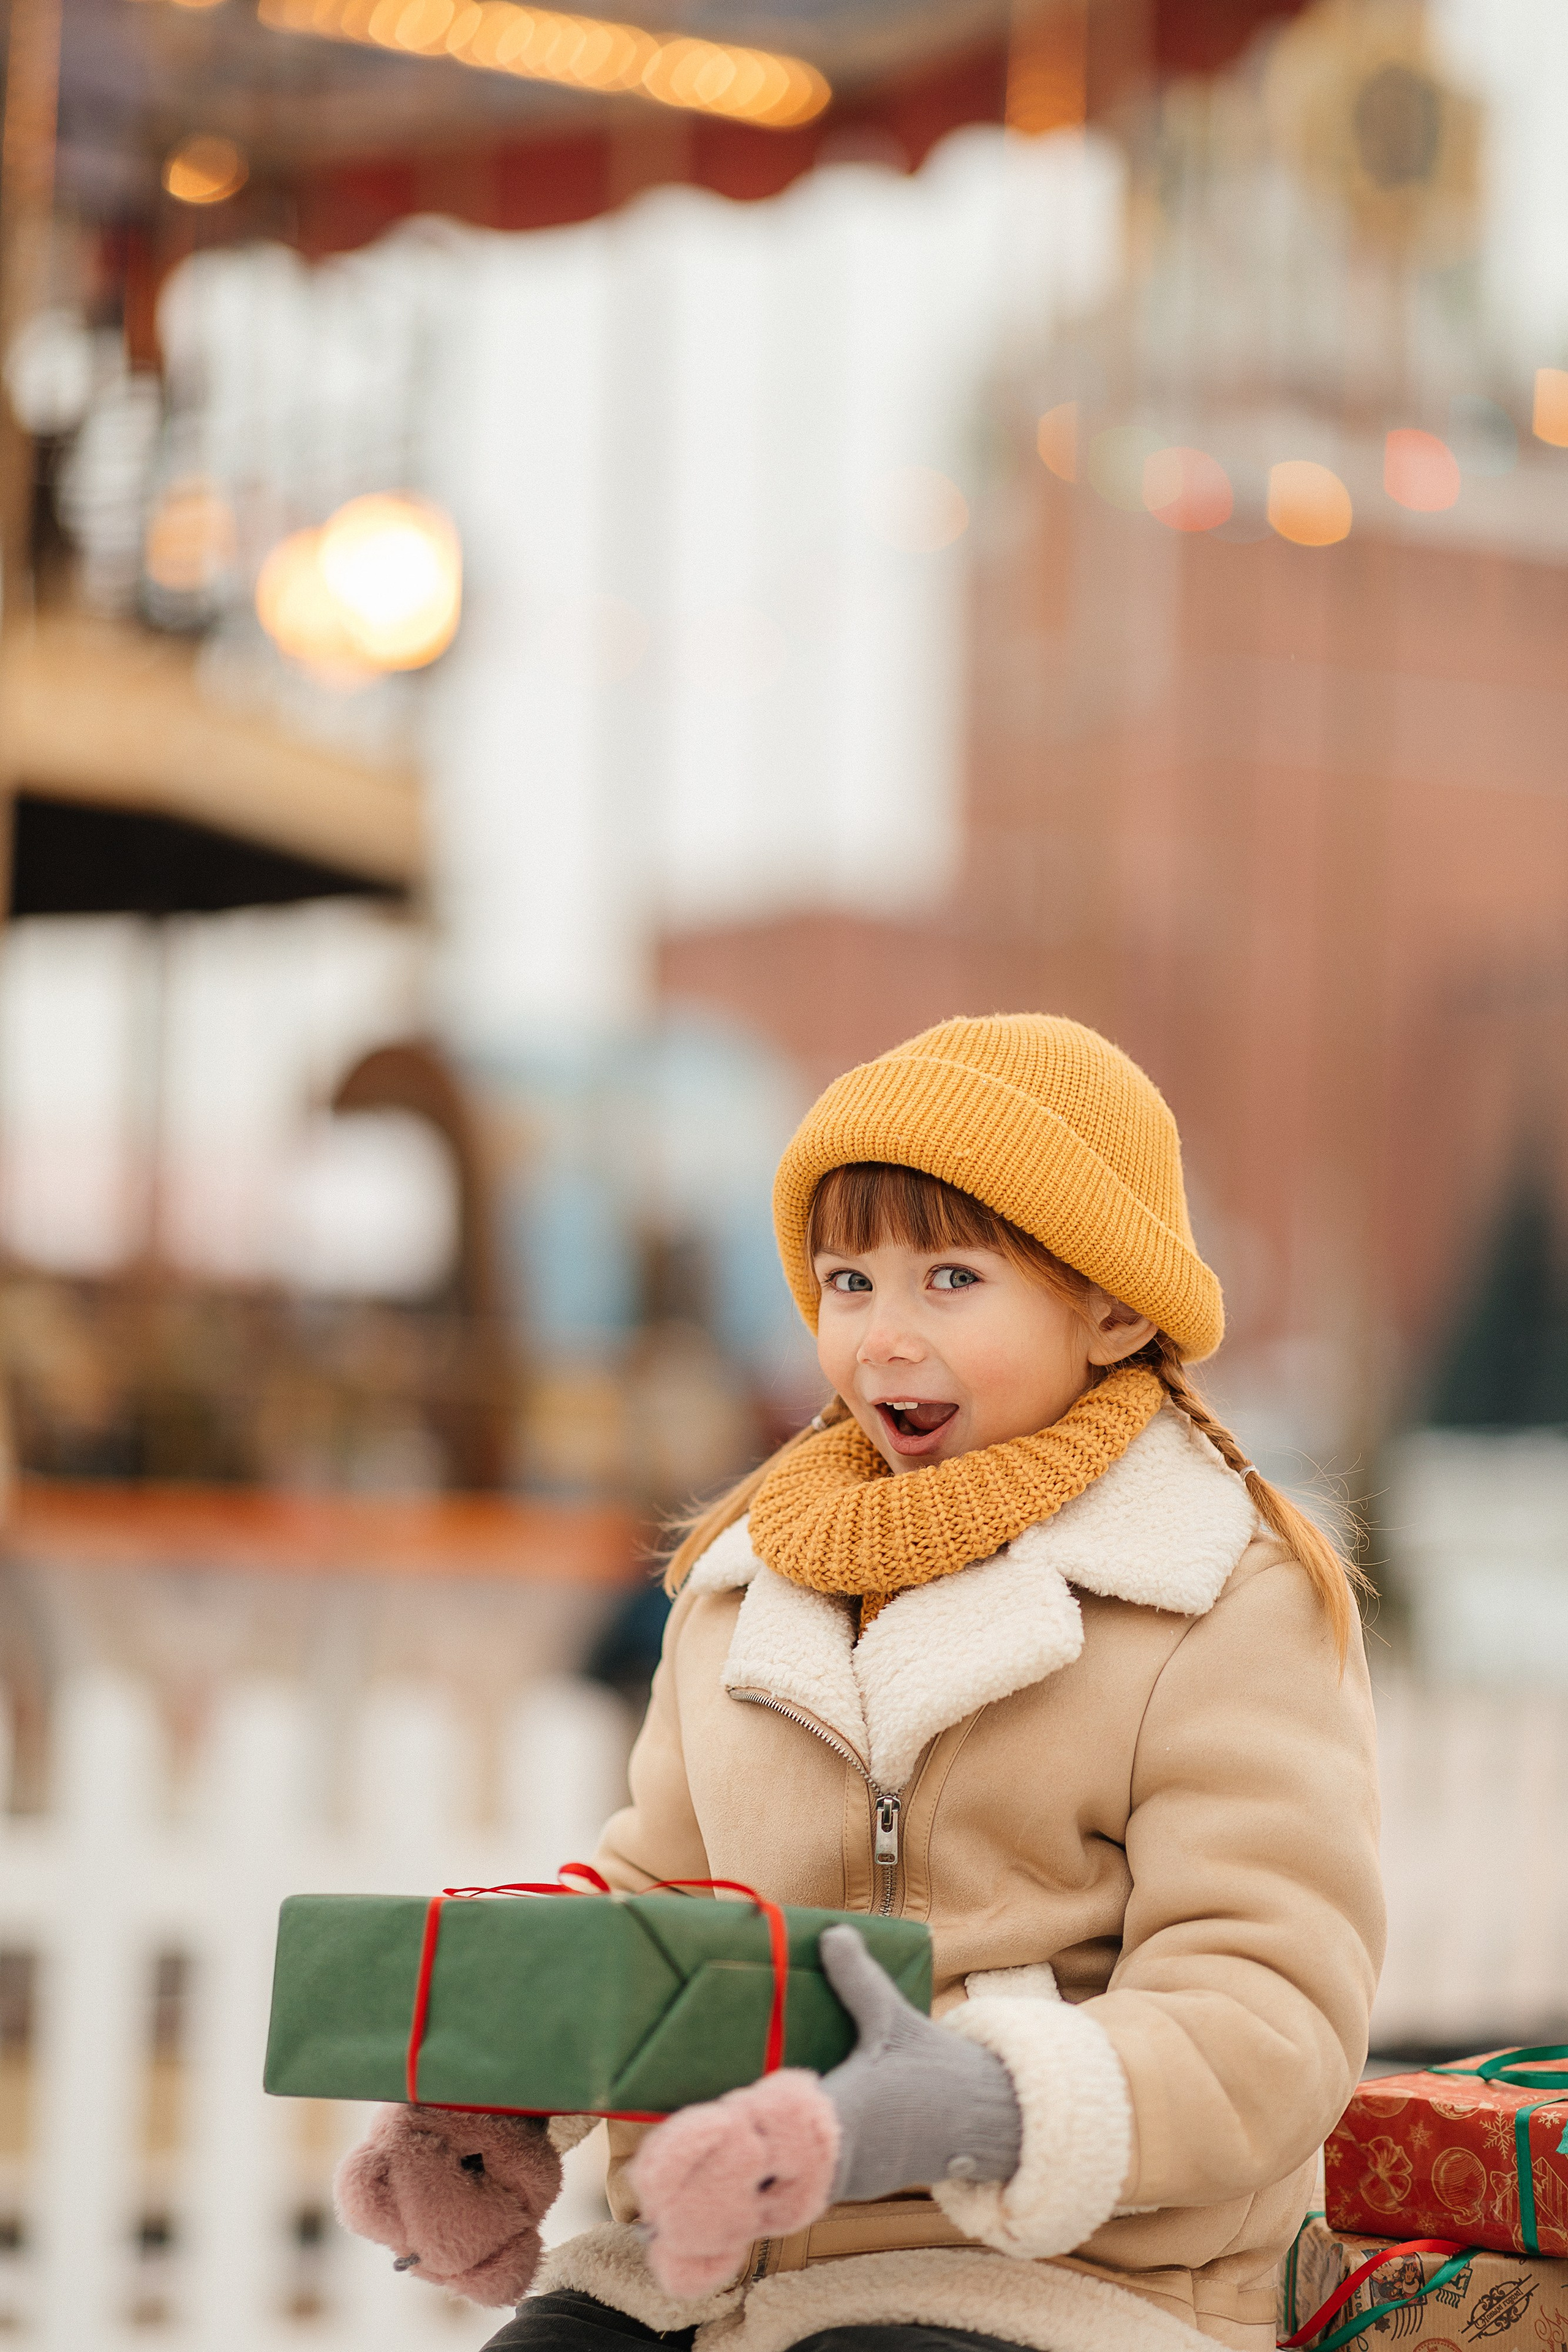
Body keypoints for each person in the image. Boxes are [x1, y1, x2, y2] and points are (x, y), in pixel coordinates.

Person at [344, 1014, 1385, 2352]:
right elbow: (660, 1900)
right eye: (846, 1282)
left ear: (1112, 1307)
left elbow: (1266, 2015)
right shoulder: (743, 1586)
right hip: (713, 2269)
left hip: (1073, 2285)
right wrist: (500, 2095)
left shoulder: (1212, 1602)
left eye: (949, 1277)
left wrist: (974, 2102)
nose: (882, 1339)